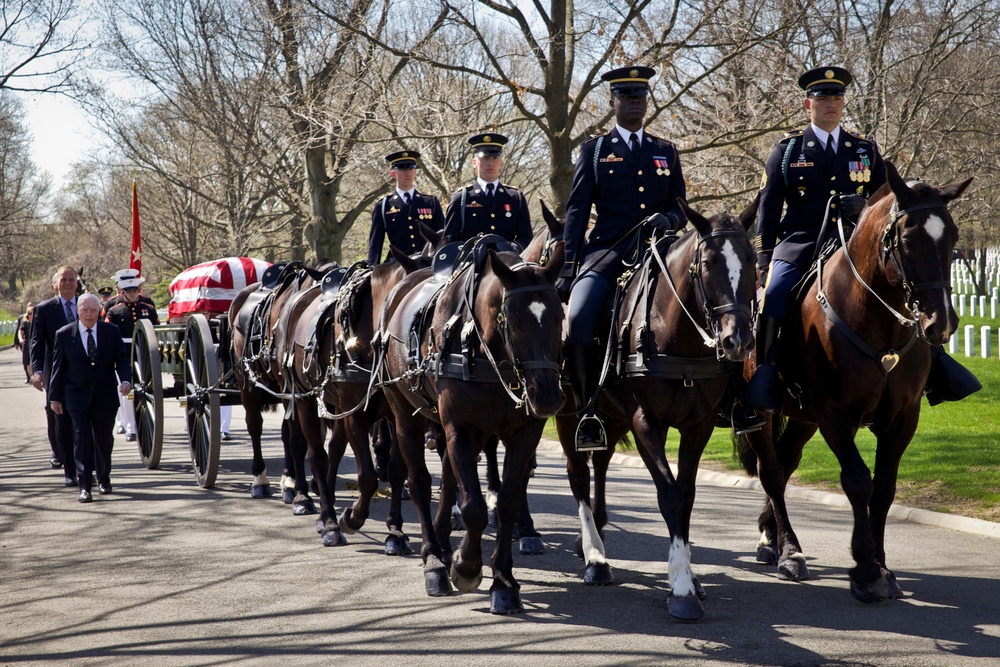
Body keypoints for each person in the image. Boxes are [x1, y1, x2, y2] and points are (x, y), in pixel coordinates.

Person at [555, 65, 687, 451]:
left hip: (660, 250)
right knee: (579, 319)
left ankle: (724, 399)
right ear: (612, 102)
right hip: (609, 249)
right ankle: (587, 409)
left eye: (640, 97)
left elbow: (682, 207)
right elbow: (577, 211)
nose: (635, 103)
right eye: (627, 96)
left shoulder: (665, 151)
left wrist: (671, 218)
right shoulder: (595, 151)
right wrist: (570, 267)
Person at [49, 292, 132, 502]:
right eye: (84, 310)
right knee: (82, 438)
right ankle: (84, 486)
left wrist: (125, 381)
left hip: (105, 396)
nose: (89, 314)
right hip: (76, 397)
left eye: (93, 310)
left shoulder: (111, 331)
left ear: (99, 311)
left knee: (104, 439)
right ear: (77, 311)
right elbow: (57, 369)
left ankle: (103, 478)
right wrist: (54, 398)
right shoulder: (64, 334)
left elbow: (122, 361)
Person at [30, 266, 81, 479]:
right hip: (55, 371)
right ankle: (65, 461)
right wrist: (38, 371)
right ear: (56, 285)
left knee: (85, 417)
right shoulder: (45, 309)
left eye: (71, 279)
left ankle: (85, 465)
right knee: (59, 417)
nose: (68, 283)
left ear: (77, 283)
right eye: (64, 280)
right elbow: (36, 342)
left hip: (84, 370)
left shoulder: (87, 305)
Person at [442, 133, 533, 249]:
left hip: (507, 262)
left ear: (501, 162)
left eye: (495, 158)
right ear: (474, 162)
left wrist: (510, 249)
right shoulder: (461, 198)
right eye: (485, 158)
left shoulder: (515, 198)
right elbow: (450, 242)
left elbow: (526, 239)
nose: (490, 163)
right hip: (472, 263)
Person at [104, 272, 159, 441]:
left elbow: (156, 329)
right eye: (129, 292)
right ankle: (131, 427)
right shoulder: (115, 311)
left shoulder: (148, 309)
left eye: (135, 291)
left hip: (144, 351)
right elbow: (108, 335)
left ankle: (148, 421)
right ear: (123, 293)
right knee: (127, 391)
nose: (133, 294)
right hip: (125, 352)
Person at [367, 150, 445, 265]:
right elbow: (375, 242)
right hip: (397, 264)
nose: (407, 173)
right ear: (393, 174)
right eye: (402, 169)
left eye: (411, 168)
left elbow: (441, 235)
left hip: (426, 263)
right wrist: (373, 268)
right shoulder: (383, 205)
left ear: (415, 172)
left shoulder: (430, 202)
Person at [15, 303, 34, 383]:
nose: (31, 315)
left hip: (35, 343)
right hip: (27, 344)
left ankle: (33, 376)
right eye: (29, 313)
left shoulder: (38, 322)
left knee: (33, 360)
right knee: (26, 361)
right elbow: (20, 332)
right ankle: (28, 376)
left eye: (32, 313)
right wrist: (20, 340)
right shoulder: (24, 322)